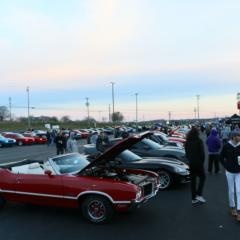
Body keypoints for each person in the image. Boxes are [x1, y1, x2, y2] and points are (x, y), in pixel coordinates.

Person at [220, 131, 240, 221]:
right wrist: (225, 166)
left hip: (239, 172)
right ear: (233, 137)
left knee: (239, 191)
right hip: (230, 172)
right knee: (231, 190)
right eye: (237, 136)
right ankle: (232, 208)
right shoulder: (226, 146)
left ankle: (239, 211)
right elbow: (221, 157)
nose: (239, 137)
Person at [185, 126, 206, 204]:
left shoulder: (187, 141)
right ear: (197, 133)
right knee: (203, 177)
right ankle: (199, 194)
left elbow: (186, 153)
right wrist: (202, 162)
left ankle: (193, 199)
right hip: (198, 163)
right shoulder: (199, 141)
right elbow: (202, 153)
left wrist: (189, 160)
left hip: (191, 163)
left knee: (193, 181)